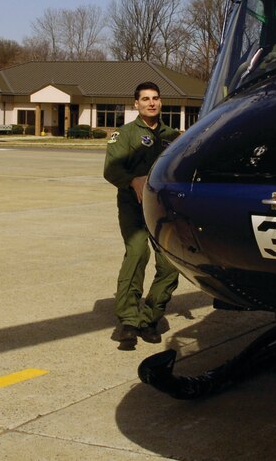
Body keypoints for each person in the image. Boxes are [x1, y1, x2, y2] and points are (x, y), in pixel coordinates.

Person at [103, 81, 180, 350]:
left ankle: (150, 318)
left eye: (155, 98)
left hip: (163, 208)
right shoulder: (123, 135)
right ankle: (128, 321)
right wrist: (133, 181)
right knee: (137, 253)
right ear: (136, 103)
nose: (151, 103)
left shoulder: (173, 137)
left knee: (170, 264)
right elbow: (111, 170)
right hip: (133, 205)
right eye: (145, 99)